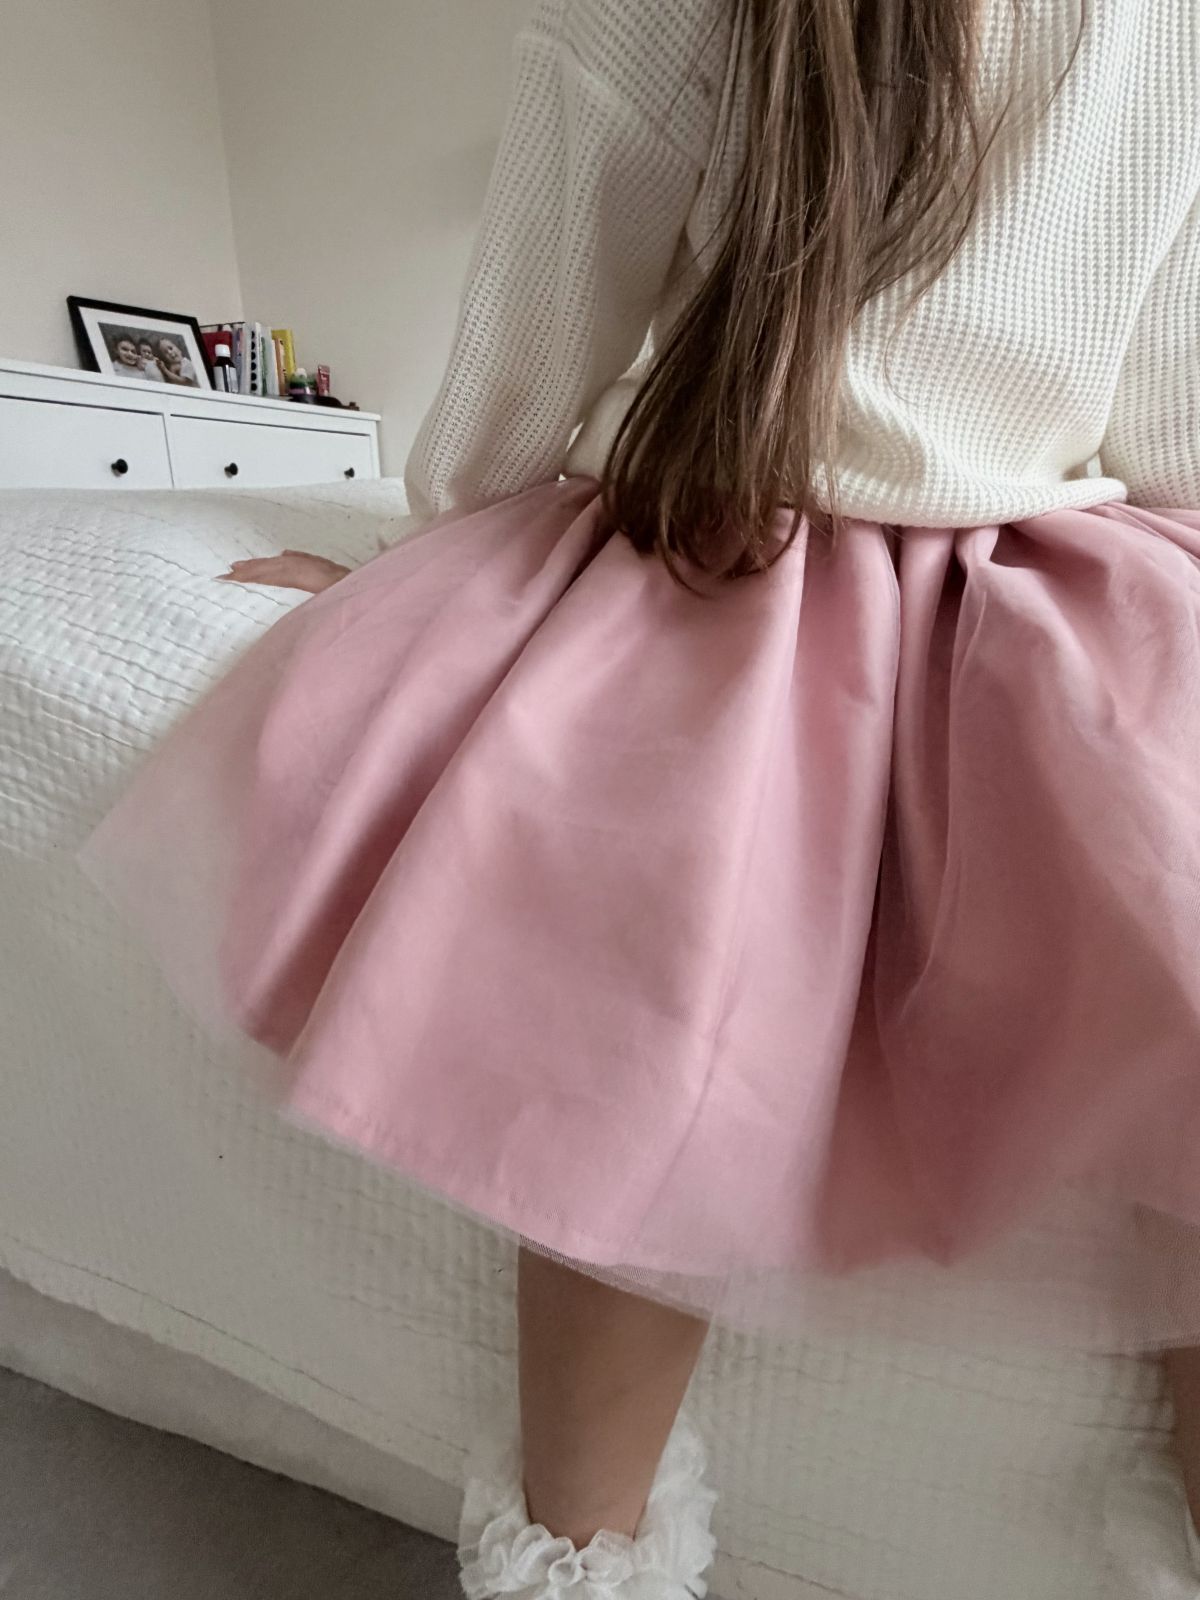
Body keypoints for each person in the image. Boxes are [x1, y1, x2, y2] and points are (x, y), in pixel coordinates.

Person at [83, 1, 1200, 1595]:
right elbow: (1170, 425)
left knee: (640, 983)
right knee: (1166, 932)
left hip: (716, 552)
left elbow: (526, 364)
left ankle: (579, 1555)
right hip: (1047, 565)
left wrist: (419, 561)